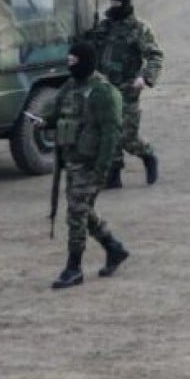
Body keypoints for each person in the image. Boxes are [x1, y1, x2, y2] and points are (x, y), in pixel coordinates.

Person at [42, 42, 130, 289]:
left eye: (74, 63)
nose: (70, 68)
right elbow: (58, 113)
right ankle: (114, 248)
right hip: (72, 161)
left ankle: (74, 268)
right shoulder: (70, 86)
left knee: (75, 213)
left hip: (90, 164)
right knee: (82, 210)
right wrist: (44, 122)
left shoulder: (103, 92)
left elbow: (111, 133)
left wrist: (103, 168)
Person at [89, 0, 165, 188]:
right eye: (112, 4)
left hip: (128, 87)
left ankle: (148, 155)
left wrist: (145, 78)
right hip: (105, 88)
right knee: (108, 130)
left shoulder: (139, 29)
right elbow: (91, 48)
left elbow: (155, 56)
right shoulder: (104, 27)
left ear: (127, 4)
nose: (114, 8)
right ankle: (113, 175)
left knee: (126, 136)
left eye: (118, 5)